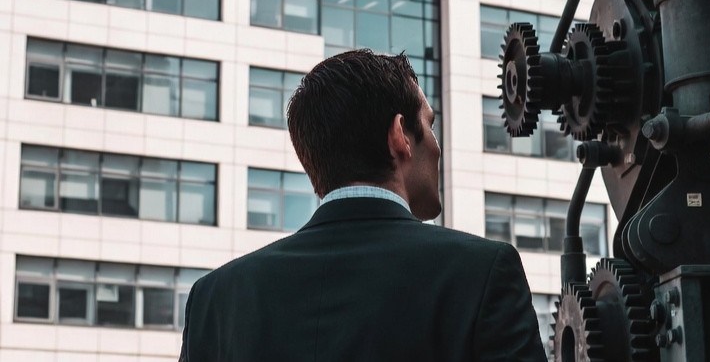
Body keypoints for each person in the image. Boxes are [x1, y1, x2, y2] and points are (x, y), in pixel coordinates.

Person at [179, 49, 547, 362]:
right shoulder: (483, 274)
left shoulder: (215, 300)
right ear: (400, 135)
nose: (436, 145)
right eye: (429, 124)